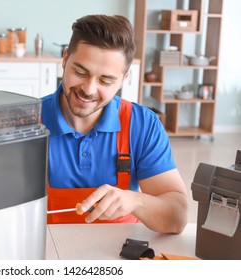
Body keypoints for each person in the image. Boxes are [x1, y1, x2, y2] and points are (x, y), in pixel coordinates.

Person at [41, 14, 188, 234]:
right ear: (65, 59)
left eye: (105, 81)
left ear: (124, 78)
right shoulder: (28, 121)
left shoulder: (142, 125)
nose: (89, 89)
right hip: (47, 250)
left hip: (120, 254)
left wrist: (136, 201)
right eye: (80, 72)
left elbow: (177, 218)